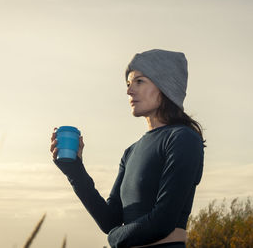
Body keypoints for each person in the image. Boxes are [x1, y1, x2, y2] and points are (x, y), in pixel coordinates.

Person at [50, 49, 205, 248]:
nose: (129, 90)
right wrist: (75, 171)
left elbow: (163, 222)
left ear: (165, 86)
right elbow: (110, 221)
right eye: (129, 84)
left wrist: (114, 238)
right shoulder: (131, 152)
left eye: (139, 81)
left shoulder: (183, 139)